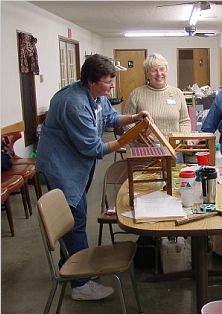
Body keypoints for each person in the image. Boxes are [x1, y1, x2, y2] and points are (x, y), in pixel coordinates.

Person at [36, 54, 150, 301]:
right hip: (63, 166)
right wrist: (124, 141)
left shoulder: (96, 97)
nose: (112, 87)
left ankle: (74, 266)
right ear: (91, 80)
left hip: (77, 164)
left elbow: (110, 117)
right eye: (108, 82)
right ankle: (81, 283)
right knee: (74, 219)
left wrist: (133, 118)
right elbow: (94, 148)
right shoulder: (74, 103)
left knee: (76, 214)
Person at [123, 53, 191, 137]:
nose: (159, 74)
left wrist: (183, 138)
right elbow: (126, 123)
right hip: (144, 147)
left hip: (173, 148)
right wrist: (140, 136)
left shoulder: (177, 93)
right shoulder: (136, 94)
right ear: (147, 74)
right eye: (154, 70)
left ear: (166, 71)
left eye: (162, 69)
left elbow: (184, 121)